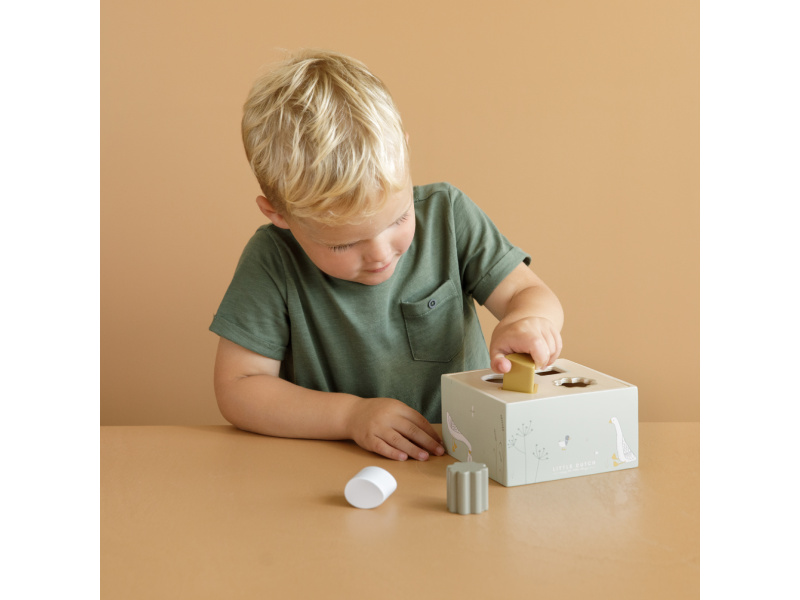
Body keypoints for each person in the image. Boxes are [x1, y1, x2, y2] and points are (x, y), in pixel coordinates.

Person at [210, 50, 563, 462]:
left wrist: (528, 322)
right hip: (336, 464)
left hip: (461, 456)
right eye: (343, 244)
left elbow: (527, 293)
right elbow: (239, 388)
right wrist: (349, 416)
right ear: (279, 215)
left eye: (398, 219)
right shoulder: (272, 259)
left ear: (406, 157)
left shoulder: (448, 214)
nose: (380, 254)